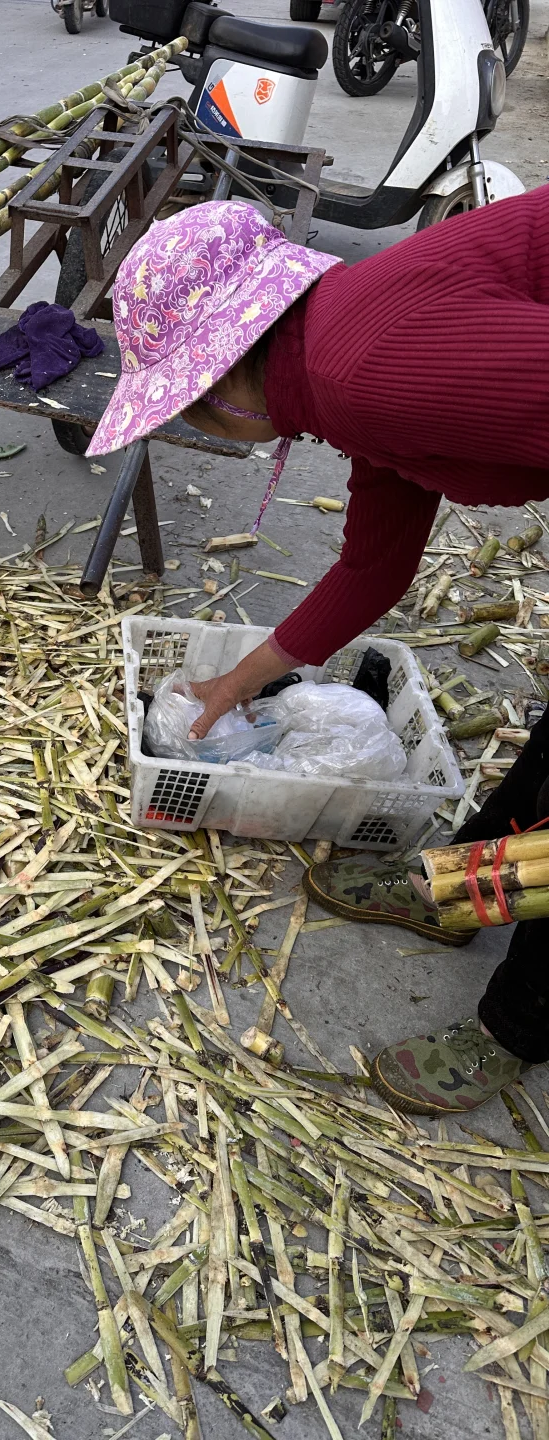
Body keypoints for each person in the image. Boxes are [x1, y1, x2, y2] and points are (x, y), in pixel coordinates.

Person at [88, 190, 549, 1115]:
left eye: (184, 404)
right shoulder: (341, 367)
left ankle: (522, 1020)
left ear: (223, 376)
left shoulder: (366, 368)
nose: (195, 424)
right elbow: (375, 566)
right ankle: (465, 886)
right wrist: (234, 683)